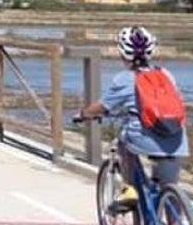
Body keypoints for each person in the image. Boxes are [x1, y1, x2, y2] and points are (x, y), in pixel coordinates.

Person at [80, 26, 189, 208]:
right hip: (176, 137)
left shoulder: (125, 78)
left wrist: (83, 114)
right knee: (170, 190)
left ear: (123, 53)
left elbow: (102, 107)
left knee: (123, 141)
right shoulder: (166, 74)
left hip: (144, 138)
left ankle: (129, 189)